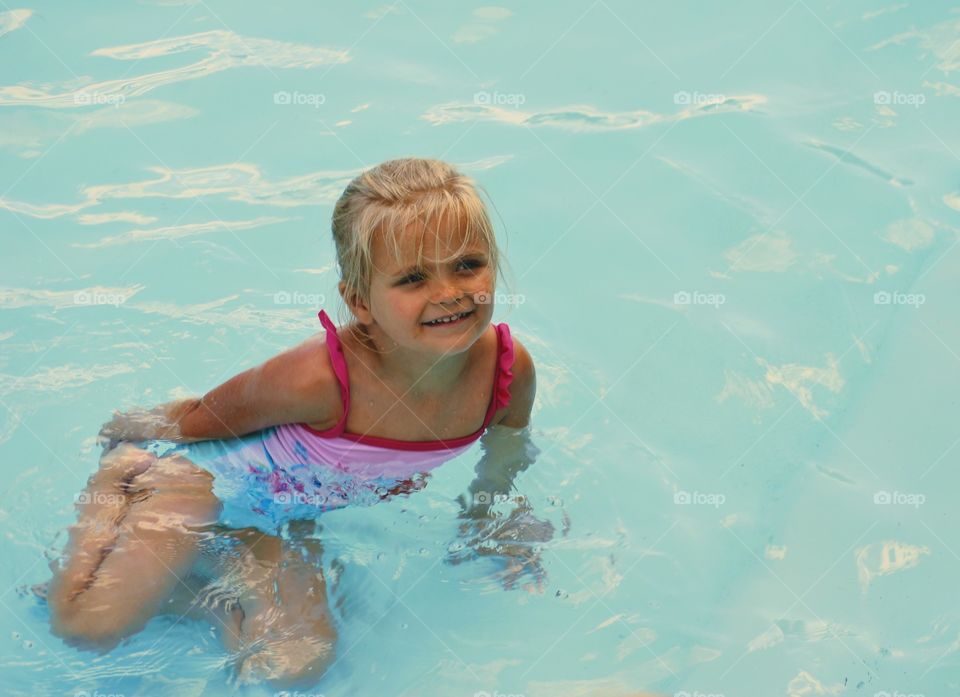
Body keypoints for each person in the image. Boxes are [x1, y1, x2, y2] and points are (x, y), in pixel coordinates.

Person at [44, 157, 541, 688]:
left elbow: (504, 459)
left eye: (467, 264)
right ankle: (132, 490)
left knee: (295, 668)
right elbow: (195, 419)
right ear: (359, 301)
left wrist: (501, 528)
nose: (449, 292)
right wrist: (125, 445)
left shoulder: (507, 372)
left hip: (281, 518)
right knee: (89, 629)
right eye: (414, 277)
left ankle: (207, 586)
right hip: (195, 483)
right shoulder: (319, 378)